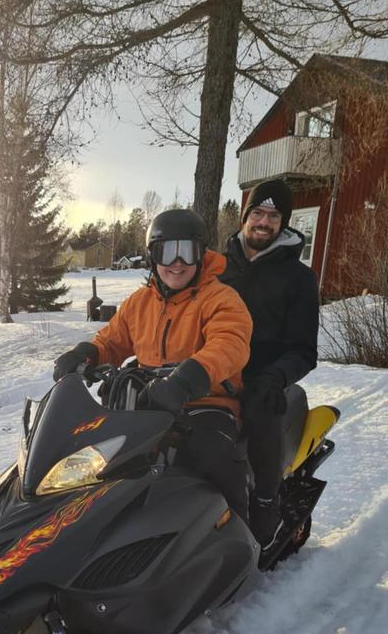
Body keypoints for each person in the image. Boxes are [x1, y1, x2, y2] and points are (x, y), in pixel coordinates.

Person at [53, 208, 253, 522]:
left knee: (213, 455)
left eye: (186, 252)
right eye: (166, 251)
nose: (176, 263)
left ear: (200, 254)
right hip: (150, 403)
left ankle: (243, 534)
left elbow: (230, 343)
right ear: (152, 256)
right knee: (100, 455)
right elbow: (113, 340)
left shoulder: (221, 298)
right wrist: (85, 354)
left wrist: (190, 376)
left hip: (206, 401)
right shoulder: (139, 302)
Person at [220, 179, 320, 548]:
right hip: (212, 369)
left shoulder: (299, 278)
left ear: (284, 222)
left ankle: (265, 503)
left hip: (262, 375)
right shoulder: (216, 266)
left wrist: (275, 376)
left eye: (273, 215)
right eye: (257, 213)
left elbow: (303, 349)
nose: (264, 222)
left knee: (261, 409)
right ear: (245, 216)